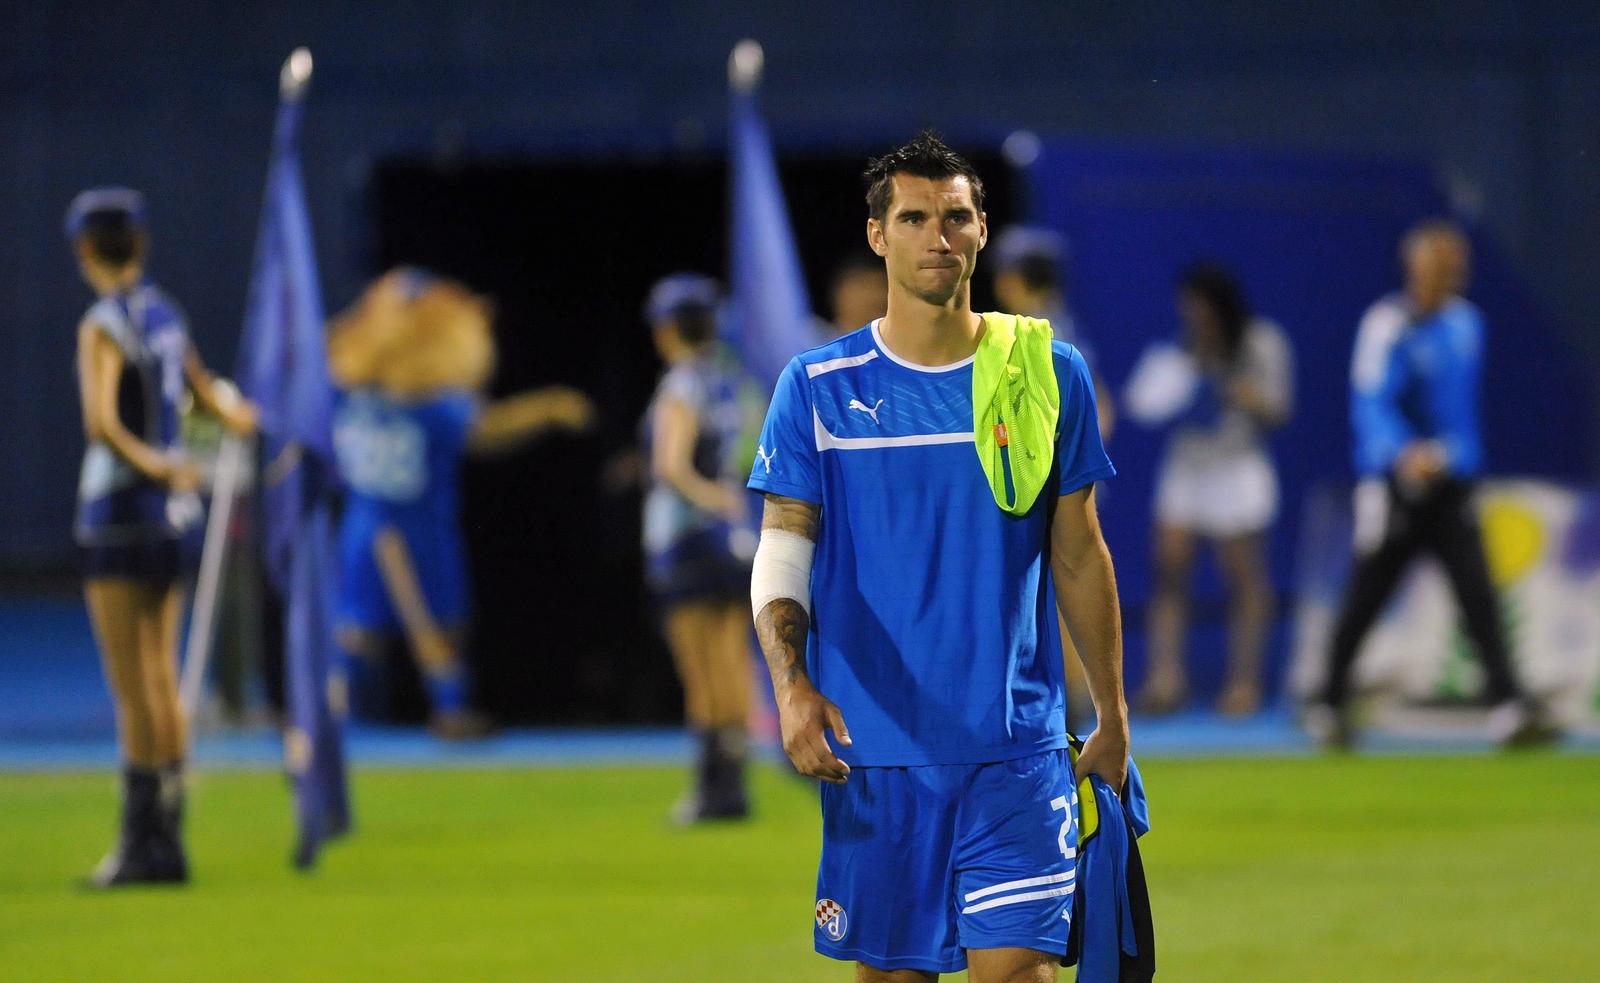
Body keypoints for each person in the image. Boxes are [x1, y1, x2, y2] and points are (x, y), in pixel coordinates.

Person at [747, 132, 1129, 982]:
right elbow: (782, 550)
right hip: (876, 752)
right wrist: (790, 685)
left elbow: (1078, 552)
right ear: (880, 234)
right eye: (914, 217)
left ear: (983, 230)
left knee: (1017, 973)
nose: (938, 236)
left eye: (955, 216)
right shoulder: (816, 387)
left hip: (1017, 749)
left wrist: (1112, 711)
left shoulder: (1045, 373)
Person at [69, 188, 259, 885]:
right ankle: (169, 840)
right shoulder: (166, 314)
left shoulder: (103, 324)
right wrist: (245, 419)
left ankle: (138, 844)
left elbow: (100, 423)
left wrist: (152, 463)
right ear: (141, 245)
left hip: (121, 514)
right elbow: (207, 394)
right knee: (164, 676)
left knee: (133, 686)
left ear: (85, 250)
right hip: (177, 515)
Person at [1303, 221, 1552, 748]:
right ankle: (1327, 703)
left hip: (1451, 486)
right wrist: (1401, 454)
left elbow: (1460, 414)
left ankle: (1508, 705)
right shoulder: (1386, 325)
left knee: (1478, 594)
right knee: (1366, 595)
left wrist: (1452, 457)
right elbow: (1370, 401)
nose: (1446, 276)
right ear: (1416, 269)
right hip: (1395, 486)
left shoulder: (1467, 326)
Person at [327, 268, 592, 739]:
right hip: (395, 523)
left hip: (393, 523)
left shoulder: (386, 398)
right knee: (366, 631)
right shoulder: (393, 398)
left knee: (417, 625)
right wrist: (548, 406)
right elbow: (488, 429)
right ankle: (360, 710)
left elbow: (482, 428)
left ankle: (348, 710)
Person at [1123, 264, 1293, 716]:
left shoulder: (1261, 341)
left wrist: (1246, 395)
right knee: (1169, 571)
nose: (1194, 315)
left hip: (1237, 467)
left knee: (1244, 579)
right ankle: (1165, 680)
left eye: (1201, 306)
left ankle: (1244, 683)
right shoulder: (1181, 349)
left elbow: (1280, 408)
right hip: (1188, 467)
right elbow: (1142, 405)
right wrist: (1182, 376)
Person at [641, 273, 764, 823]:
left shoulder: (681, 384)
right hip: (736, 539)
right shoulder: (735, 382)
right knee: (732, 660)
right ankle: (735, 786)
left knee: (699, 669)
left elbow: (671, 465)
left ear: (666, 329)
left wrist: (708, 496)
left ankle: (711, 789)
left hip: (688, 538)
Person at [991, 226, 1117, 727]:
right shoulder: (1063, 325)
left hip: (1045, 482)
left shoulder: (1032, 331)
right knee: (1059, 590)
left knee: (1049, 593)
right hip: (1070, 478)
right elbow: (1103, 408)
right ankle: (1069, 710)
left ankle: (1066, 713)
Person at [827, 252, 888, 336]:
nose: (877, 297)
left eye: (883, 286)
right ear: (841, 294)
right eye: (865, 287)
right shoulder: (809, 340)